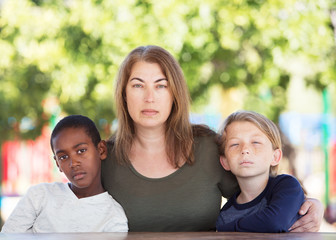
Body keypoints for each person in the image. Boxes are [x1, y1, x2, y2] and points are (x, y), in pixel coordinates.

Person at [101, 45, 324, 232]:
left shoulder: (208, 148)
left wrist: (312, 203)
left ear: (175, 94)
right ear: (124, 93)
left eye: (161, 86)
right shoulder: (103, 159)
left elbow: (266, 193)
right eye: (138, 85)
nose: (149, 97)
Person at [1, 115, 128, 233]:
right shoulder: (39, 196)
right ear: (57, 164)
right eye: (63, 157)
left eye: (81, 151)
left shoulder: (114, 217)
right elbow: (7, 237)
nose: (73, 163)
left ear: (101, 150)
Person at [215, 110, 305, 232]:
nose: (245, 149)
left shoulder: (287, 186)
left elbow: (275, 222)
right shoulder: (225, 215)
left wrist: (228, 229)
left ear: (275, 157)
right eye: (235, 144)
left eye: (256, 142)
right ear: (225, 162)